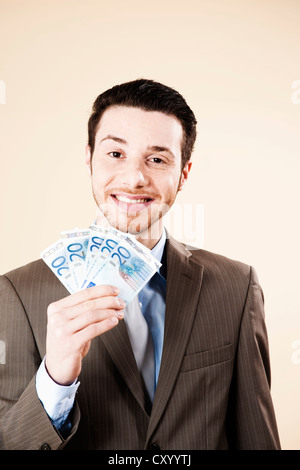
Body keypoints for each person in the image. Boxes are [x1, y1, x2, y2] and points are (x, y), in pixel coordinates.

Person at [0, 79, 280, 450]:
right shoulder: (17, 293)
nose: (134, 178)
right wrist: (54, 380)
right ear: (89, 159)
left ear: (183, 175)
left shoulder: (236, 285)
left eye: (157, 159)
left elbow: (256, 436)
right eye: (116, 154)